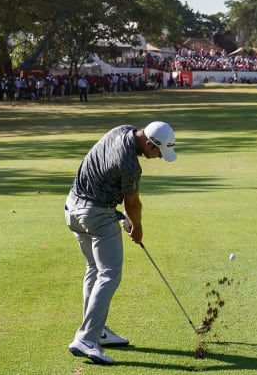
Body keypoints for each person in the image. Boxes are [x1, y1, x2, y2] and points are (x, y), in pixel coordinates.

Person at [64, 121, 178, 365]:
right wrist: (137, 228)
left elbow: (104, 177)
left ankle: (99, 331)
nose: (158, 157)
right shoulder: (131, 167)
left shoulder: (122, 130)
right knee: (109, 274)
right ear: (149, 143)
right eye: (158, 151)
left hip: (73, 209)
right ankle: (86, 338)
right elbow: (133, 204)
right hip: (95, 214)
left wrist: (119, 216)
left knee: (94, 270)